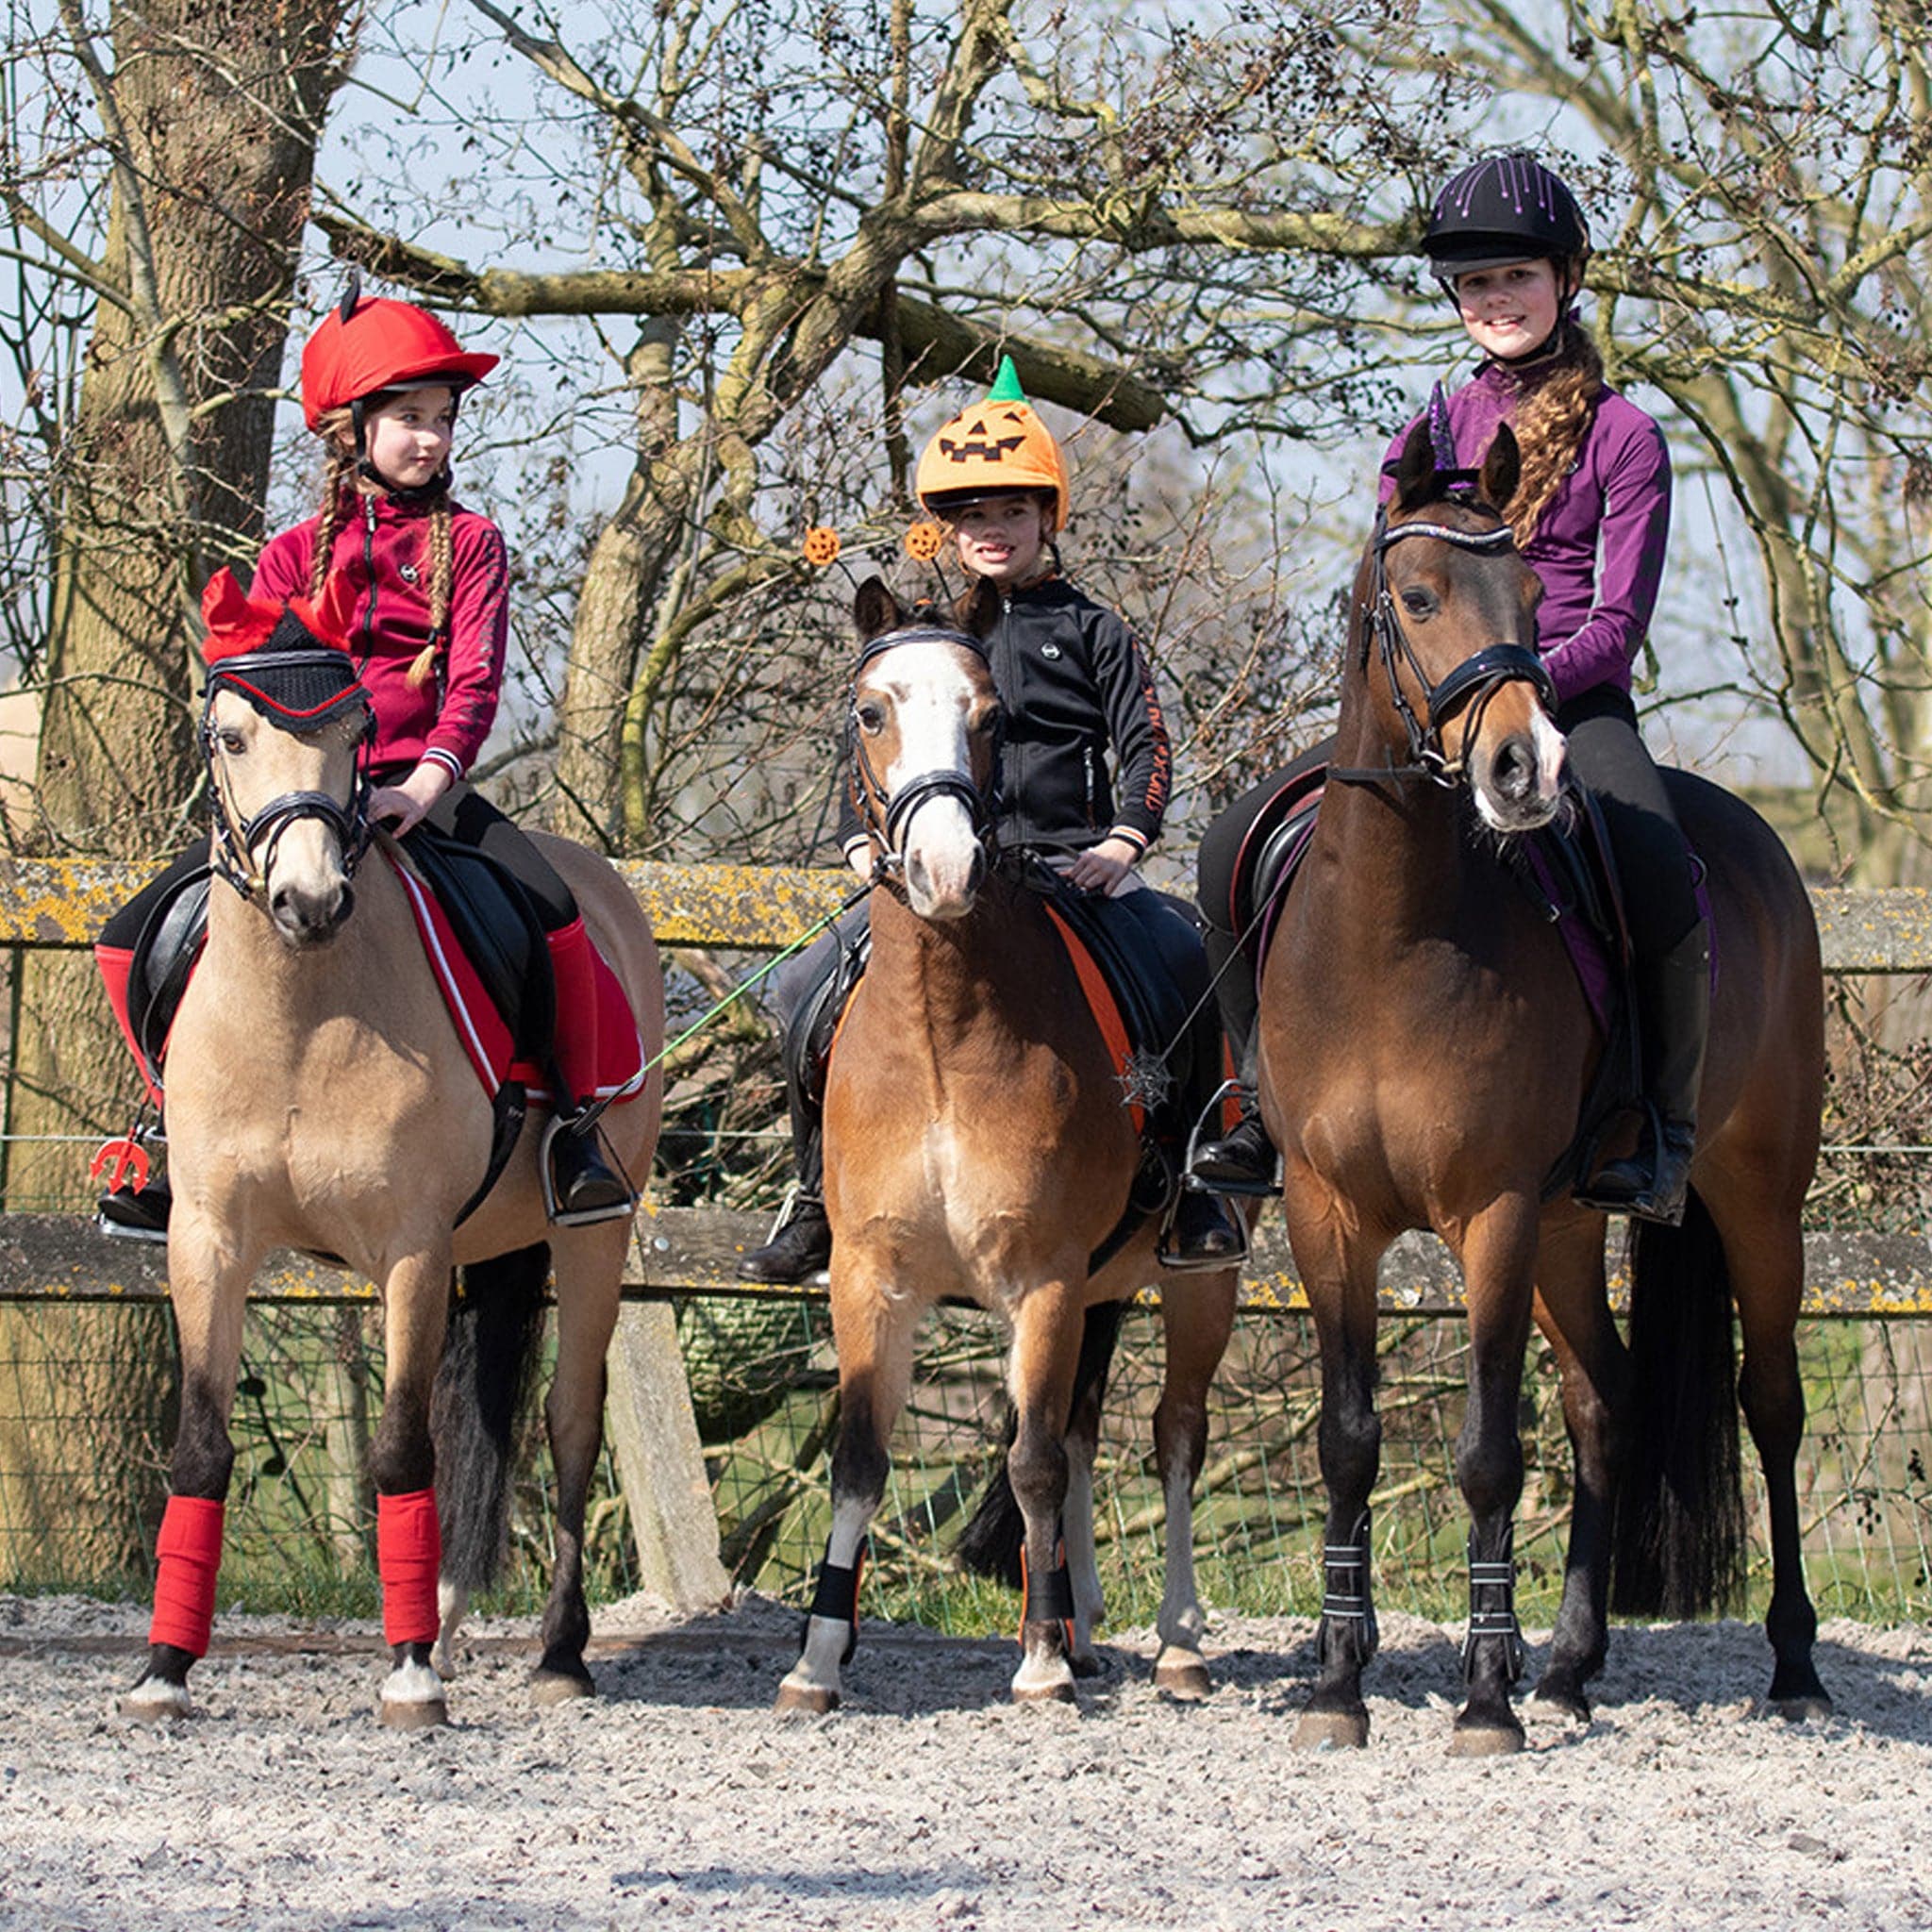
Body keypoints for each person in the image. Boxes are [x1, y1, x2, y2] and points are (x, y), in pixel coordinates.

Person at [1192, 150, 1706, 1226]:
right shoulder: (1419, 437)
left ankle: (1658, 1126)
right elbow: (1380, 600)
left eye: (1513, 277)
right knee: (1227, 843)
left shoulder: (1623, 435)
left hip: (1566, 700)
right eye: (1474, 285)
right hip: (1426, 715)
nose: (1494, 301)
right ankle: (1250, 1102)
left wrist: (1512, 689)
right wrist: (1438, 702)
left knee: (1659, 864)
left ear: (1563, 280)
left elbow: (1616, 623)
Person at [96, 285, 632, 1235]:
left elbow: (472, 682)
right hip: (300, 803)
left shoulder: (470, 544)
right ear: (352, 431)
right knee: (130, 932)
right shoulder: (291, 554)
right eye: (407, 419)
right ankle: (165, 1123)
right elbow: (251, 697)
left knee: (551, 909)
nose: (428, 437)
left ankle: (578, 1128)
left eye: (440, 419)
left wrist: (425, 783)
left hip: (423, 793)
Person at [737, 357, 1245, 1282]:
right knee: (803, 985)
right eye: (972, 516)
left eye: (1011, 510)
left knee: (1187, 960)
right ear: (946, 530)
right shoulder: (930, 635)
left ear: (1047, 518)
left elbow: (1147, 741)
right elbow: (866, 743)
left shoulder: (1092, 628)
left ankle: (1193, 1186)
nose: (992, 531)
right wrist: (858, 839)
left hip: (1068, 867)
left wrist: (1124, 838)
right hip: (936, 873)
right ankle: (813, 1195)